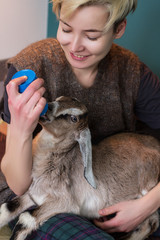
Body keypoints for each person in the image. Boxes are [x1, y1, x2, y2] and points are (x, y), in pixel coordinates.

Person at [1, 0, 160, 239]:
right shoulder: (30, 66)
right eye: (66, 29)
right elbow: (18, 185)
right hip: (39, 197)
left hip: (109, 190)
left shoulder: (134, 74)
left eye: (92, 36)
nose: (75, 46)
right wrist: (22, 129)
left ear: (118, 29)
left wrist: (146, 205)